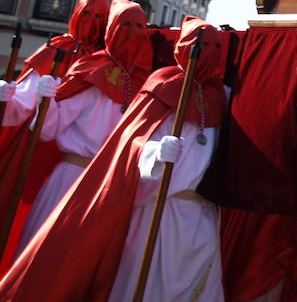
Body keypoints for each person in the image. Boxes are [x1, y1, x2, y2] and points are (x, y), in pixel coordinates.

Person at [0, 17, 229, 301]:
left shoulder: (214, 95)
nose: (132, 35)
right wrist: (153, 155)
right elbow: (56, 129)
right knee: (59, 253)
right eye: (124, 26)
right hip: (80, 180)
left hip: (191, 211)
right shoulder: (155, 84)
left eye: (138, 27)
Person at [0, 0, 152, 250]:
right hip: (61, 168)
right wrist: (24, 99)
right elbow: (37, 116)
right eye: (87, 13)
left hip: (105, 184)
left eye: (139, 26)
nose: (91, 21)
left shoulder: (138, 80)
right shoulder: (82, 63)